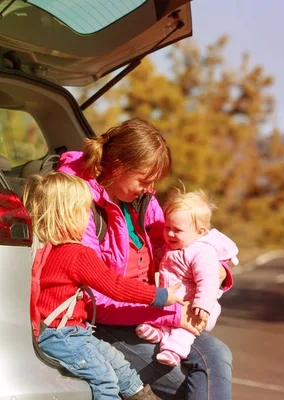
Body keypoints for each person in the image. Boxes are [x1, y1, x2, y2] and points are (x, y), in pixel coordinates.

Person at [56, 118, 233, 400]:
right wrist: (173, 312)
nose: (150, 189)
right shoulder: (79, 205)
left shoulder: (142, 202)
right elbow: (96, 298)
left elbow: (183, 245)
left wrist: (216, 270)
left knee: (218, 355)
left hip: (152, 315)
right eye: (144, 180)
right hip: (105, 322)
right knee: (189, 387)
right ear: (118, 166)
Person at [24, 172, 184, 400]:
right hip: (62, 335)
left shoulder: (47, 250)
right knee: (105, 379)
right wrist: (159, 296)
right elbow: (115, 287)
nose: (88, 218)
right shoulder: (78, 254)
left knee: (122, 369)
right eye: (84, 211)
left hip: (72, 333)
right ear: (69, 215)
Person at [135, 188, 238, 367]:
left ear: (200, 232)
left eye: (177, 230)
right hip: (177, 301)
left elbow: (209, 280)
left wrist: (202, 304)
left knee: (185, 329)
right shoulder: (174, 247)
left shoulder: (201, 252)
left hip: (196, 308)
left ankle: (174, 351)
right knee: (165, 313)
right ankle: (160, 333)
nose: (170, 234)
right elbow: (161, 258)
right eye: (167, 227)